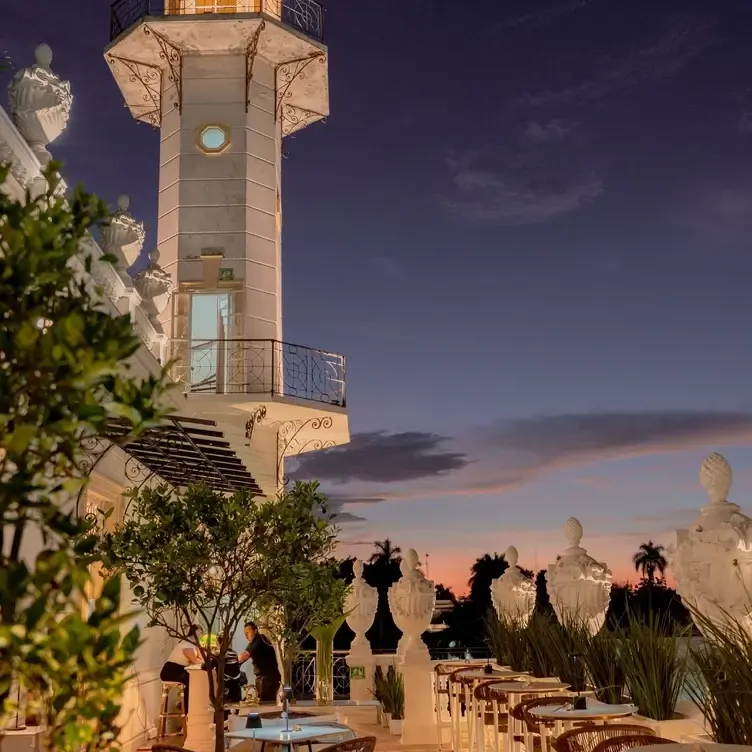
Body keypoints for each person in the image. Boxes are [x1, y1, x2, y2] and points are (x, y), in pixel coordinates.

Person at [160, 625, 203, 711]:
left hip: (180, 670)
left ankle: (188, 705)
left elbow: (201, 658)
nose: (201, 635)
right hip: (171, 670)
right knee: (192, 680)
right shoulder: (186, 644)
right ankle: (186, 707)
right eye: (200, 633)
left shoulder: (193, 645)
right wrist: (199, 660)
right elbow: (195, 660)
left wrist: (199, 648)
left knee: (195, 679)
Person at [238, 621, 281, 703]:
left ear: (255, 631)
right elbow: (243, 657)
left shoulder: (260, 639)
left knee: (266, 705)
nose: (246, 635)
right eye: (245, 633)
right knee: (262, 703)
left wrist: (231, 660)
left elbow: (245, 655)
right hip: (263, 678)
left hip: (268, 679)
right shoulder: (252, 643)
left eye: (248, 632)